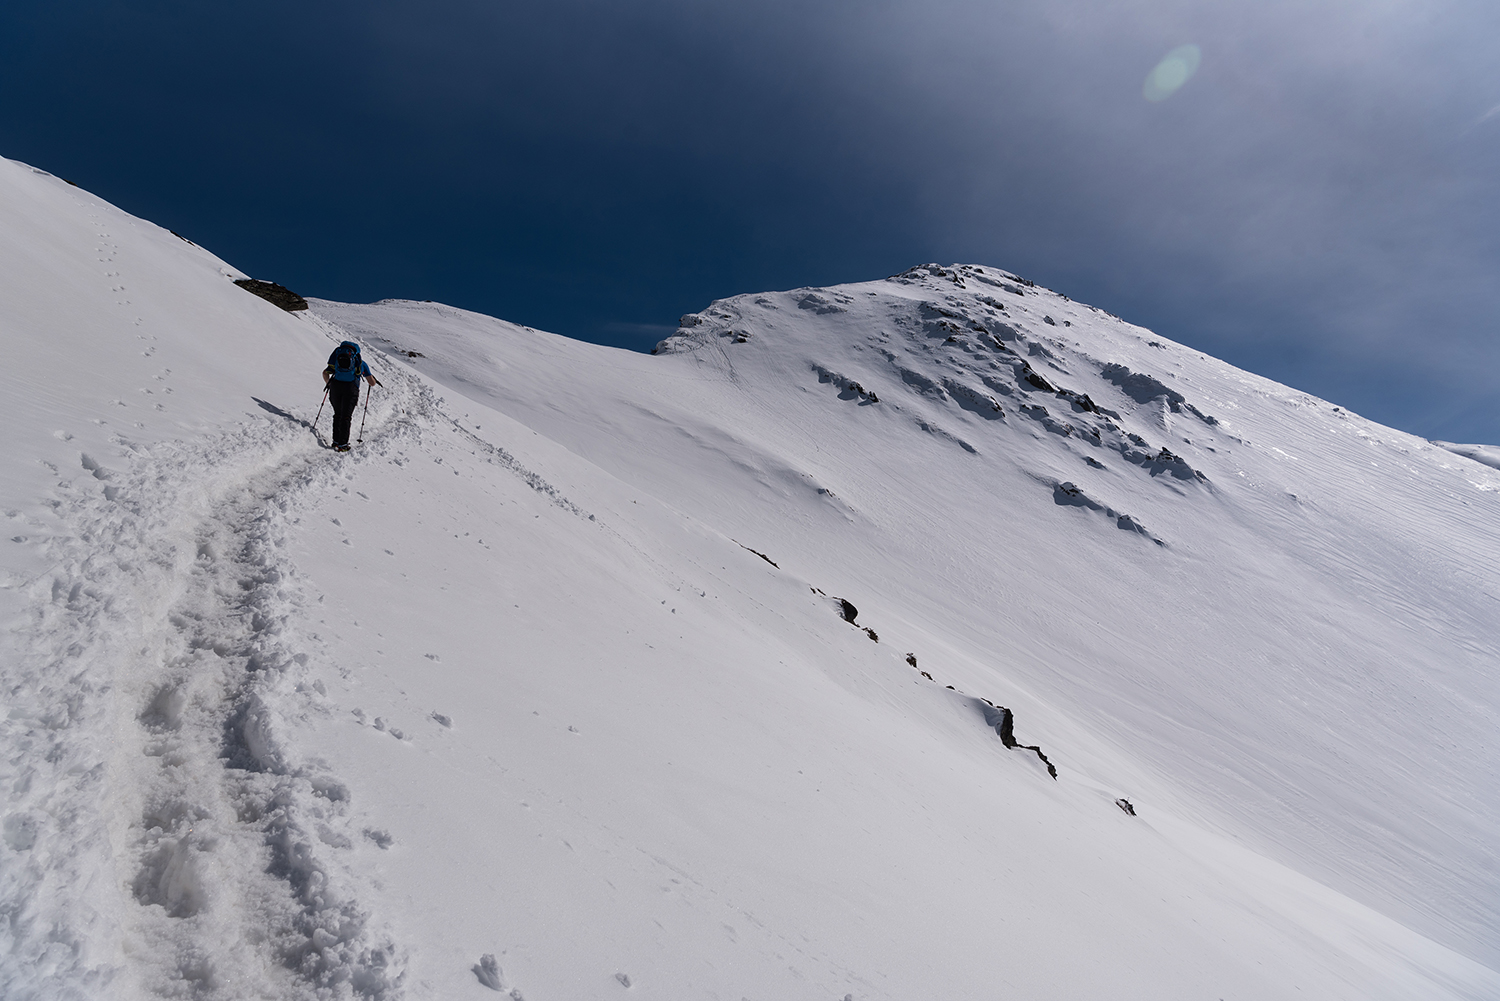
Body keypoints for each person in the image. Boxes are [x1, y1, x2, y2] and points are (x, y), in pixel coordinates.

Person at [323, 340, 381, 451]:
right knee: (346, 416)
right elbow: (372, 383)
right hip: (351, 389)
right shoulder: (360, 363)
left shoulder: (336, 360)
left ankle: (335, 441)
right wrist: (371, 376)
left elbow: (325, 373)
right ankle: (343, 445)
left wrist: (329, 384)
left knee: (337, 414)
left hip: (336, 387)